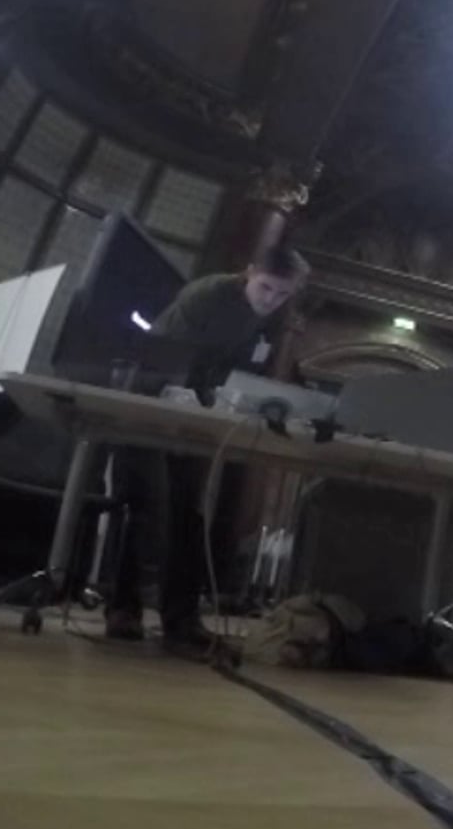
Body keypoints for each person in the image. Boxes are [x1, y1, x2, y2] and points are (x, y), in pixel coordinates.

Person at [104, 245, 309, 649]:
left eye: (283, 294)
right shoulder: (207, 296)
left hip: (196, 418)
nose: (272, 300)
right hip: (147, 406)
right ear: (248, 272)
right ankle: (122, 608)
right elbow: (166, 356)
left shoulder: (274, 317)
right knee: (147, 506)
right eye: (266, 288)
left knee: (189, 516)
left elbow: (250, 368)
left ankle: (181, 619)